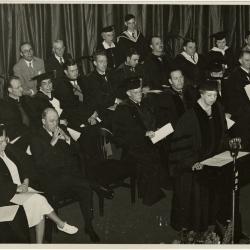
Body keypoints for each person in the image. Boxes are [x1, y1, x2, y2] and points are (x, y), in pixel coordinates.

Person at [30, 108, 113, 242]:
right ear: (43, 121)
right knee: (84, 183)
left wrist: (67, 139)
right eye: (51, 121)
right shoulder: (36, 137)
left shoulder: (61, 128)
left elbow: (78, 150)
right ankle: (96, 185)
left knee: (84, 186)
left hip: (71, 175)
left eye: (57, 120)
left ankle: (89, 226)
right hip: (52, 179)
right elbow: (40, 164)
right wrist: (53, 142)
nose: (55, 124)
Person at [169, 81, 231, 236]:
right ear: (201, 95)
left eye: (215, 95)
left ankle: (211, 221)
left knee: (214, 194)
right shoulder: (189, 117)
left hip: (214, 161)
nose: (213, 99)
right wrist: (192, 162)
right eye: (209, 95)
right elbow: (180, 147)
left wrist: (223, 151)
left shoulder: (217, 109)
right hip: (195, 165)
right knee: (196, 198)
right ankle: (194, 227)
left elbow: (223, 132)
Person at [0, 125, 78, 243]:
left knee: (39, 207)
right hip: (7, 196)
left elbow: (24, 165)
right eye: (0, 142)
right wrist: (17, 188)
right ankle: (60, 224)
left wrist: (25, 181)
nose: (5, 143)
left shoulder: (9, 149)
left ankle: (40, 244)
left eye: (5, 139)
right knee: (39, 201)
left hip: (22, 189)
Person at [112, 77, 165, 206]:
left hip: (148, 140)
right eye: (135, 92)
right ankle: (149, 195)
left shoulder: (144, 103)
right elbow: (124, 133)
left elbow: (151, 119)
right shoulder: (123, 108)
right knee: (150, 158)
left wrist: (155, 128)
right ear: (128, 93)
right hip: (132, 146)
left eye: (140, 91)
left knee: (163, 150)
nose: (139, 94)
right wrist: (144, 133)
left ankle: (154, 188)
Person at [53, 58, 95, 129]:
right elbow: (72, 107)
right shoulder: (61, 85)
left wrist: (94, 113)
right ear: (66, 72)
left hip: (90, 114)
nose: (76, 73)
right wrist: (90, 116)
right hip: (74, 119)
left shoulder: (83, 79)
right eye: (72, 71)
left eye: (76, 70)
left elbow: (91, 97)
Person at [84, 50, 120, 129]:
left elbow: (118, 90)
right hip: (100, 111)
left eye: (105, 61)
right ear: (95, 63)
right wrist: (115, 101)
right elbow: (100, 99)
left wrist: (116, 104)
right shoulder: (90, 79)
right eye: (101, 61)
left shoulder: (111, 73)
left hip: (114, 107)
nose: (104, 64)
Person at [222, 50, 250, 150]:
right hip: (242, 118)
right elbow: (231, 99)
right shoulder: (234, 76)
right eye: (247, 60)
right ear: (240, 60)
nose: (249, 62)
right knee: (244, 148)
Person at [0, 76, 32, 151]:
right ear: (10, 90)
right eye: (18, 88)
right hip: (19, 139)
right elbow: (11, 128)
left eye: (21, 86)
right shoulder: (4, 106)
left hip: (33, 135)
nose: (21, 89)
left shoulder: (27, 99)